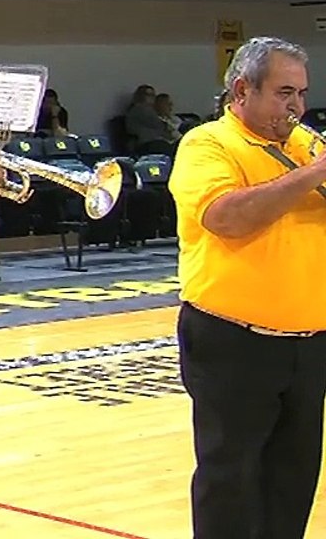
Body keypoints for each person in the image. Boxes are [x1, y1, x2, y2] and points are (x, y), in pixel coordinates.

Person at [168, 36, 326, 539]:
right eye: (284, 93)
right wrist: (313, 176)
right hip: (233, 341)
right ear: (242, 89)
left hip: (310, 342)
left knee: (294, 479)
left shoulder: (306, 144)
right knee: (229, 479)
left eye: (301, 94)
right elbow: (227, 218)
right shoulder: (207, 144)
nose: (296, 106)